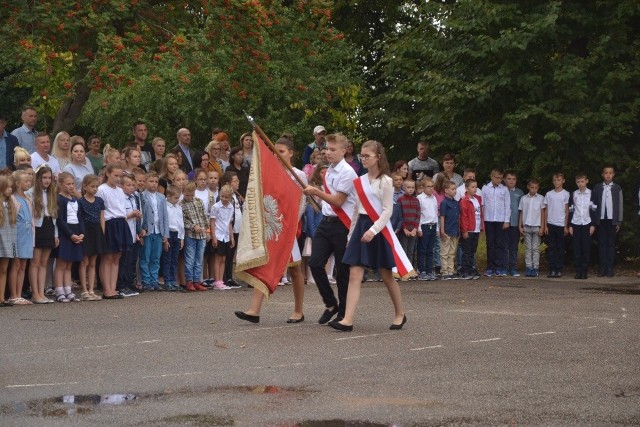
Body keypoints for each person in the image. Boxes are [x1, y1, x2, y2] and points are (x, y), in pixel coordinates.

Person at [328, 140, 407, 332]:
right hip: (361, 226)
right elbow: (356, 210)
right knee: (355, 274)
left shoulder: (386, 181)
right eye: (361, 156)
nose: (363, 159)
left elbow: (388, 211)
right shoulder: (360, 181)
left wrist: (373, 231)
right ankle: (347, 319)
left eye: (367, 156)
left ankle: (400, 314)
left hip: (378, 229)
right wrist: (351, 234)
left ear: (378, 157)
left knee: (386, 275)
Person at [235, 137, 307, 324]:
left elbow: (302, 202)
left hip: (287, 228)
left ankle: (298, 310)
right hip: (272, 227)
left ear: (291, 153)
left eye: (281, 152)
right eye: (275, 151)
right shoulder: (269, 173)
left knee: (296, 270)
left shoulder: (298, 174)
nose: (277, 155)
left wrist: (291, 224)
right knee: (264, 264)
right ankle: (254, 310)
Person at [303, 133, 357, 324]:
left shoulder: (348, 172)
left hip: (342, 224)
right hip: (325, 223)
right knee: (315, 263)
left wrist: (316, 191)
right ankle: (330, 303)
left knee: (342, 271)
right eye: (327, 148)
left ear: (344, 150)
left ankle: (343, 313)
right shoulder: (329, 170)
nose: (328, 152)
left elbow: (339, 201)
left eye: (333, 149)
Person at [97, 164, 130, 299]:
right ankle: (106, 289)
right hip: (109, 224)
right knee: (108, 257)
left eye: (120, 176)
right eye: (115, 175)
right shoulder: (102, 190)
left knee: (117, 257)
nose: (118, 179)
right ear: (108, 174)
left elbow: (122, 210)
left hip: (121, 222)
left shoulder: (120, 190)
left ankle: (113, 288)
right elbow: (101, 212)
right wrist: (103, 230)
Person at [28, 165, 58, 304]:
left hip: (48, 226)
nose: (47, 181)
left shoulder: (51, 193)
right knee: (35, 262)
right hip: (37, 228)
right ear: (38, 178)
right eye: (44, 178)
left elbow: (54, 217)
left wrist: (56, 234)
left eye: (49, 178)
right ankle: (35, 293)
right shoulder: (31, 193)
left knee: (44, 263)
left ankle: (42, 292)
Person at [54, 172, 84, 302]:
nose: (71, 186)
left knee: (69, 264)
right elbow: (60, 220)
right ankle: (59, 291)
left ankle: (68, 289)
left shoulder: (75, 199)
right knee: (61, 264)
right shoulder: (59, 199)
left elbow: (80, 217)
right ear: (60, 184)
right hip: (66, 233)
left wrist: (81, 232)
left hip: (76, 232)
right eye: (68, 184)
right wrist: (70, 235)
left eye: (72, 184)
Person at [78, 175, 107, 300]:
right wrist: (81, 232)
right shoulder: (81, 201)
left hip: (96, 231)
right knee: (84, 261)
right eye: (92, 186)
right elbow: (80, 218)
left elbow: (102, 217)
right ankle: (84, 290)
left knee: (93, 262)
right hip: (86, 231)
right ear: (85, 187)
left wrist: (102, 232)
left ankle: (91, 289)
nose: (95, 189)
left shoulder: (99, 201)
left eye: (96, 187)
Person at [140, 171, 169, 291]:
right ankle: (146, 280)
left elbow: (165, 216)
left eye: (156, 182)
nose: (154, 184)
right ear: (146, 182)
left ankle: (154, 280)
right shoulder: (142, 196)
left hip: (158, 231)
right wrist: (141, 229)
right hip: (148, 230)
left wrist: (165, 234)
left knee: (156, 258)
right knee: (145, 257)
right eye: (151, 181)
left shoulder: (161, 197)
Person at [591, 166, 623, 277]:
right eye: (606, 173)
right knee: (602, 244)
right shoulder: (598, 187)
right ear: (602, 174)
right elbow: (594, 205)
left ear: (613, 174)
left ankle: (610, 268)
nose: (608, 175)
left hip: (612, 220)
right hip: (601, 220)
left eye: (610, 173)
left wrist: (619, 221)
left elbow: (620, 205)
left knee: (611, 244)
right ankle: (602, 268)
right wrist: (594, 220)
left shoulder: (617, 188)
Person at [8, 170, 34, 305]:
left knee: (23, 265)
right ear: (17, 183)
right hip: (18, 235)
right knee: (16, 264)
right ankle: (14, 295)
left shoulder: (27, 198)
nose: (29, 183)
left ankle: (19, 293)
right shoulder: (13, 199)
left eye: (30, 181)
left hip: (27, 235)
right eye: (26, 181)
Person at [180, 181, 209, 291]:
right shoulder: (181, 205)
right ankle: (189, 281)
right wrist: (193, 226)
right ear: (183, 193)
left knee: (199, 258)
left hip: (201, 235)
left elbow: (204, 216)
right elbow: (183, 220)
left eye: (192, 195)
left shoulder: (199, 202)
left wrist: (207, 231)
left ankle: (197, 280)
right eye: (187, 195)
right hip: (190, 235)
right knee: (190, 259)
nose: (189, 197)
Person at [481, 168, 510, 277]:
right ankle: (490, 267)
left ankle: (499, 267)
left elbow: (507, 206)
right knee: (490, 244)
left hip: (500, 220)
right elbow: (482, 205)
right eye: (496, 177)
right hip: (488, 219)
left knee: (499, 244)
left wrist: (506, 220)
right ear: (491, 176)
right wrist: (482, 221)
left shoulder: (504, 189)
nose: (498, 180)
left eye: (500, 178)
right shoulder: (485, 188)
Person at [568, 173, 596, 279]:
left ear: (587, 181)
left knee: (585, 248)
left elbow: (594, 209)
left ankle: (584, 271)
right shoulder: (574, 194)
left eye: (582, 181)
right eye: (578, 182)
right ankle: (578, 270)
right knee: (577, 248)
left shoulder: (591, 194)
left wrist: (593, 224)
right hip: (576, 223)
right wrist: (570, 224)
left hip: (587, 223)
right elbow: (571, 210)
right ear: (576, 183)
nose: (580, 184)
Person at [218, 171, 243, 288]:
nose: (238, 183)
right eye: (235, 181)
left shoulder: (237, 196)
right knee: (227, 254)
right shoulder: (225, 197)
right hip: (228, 230)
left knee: (232, 254)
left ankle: (229, 276)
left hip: (238, 229)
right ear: (227, 183)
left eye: (238, 180)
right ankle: (224, 277)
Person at [543, 173, 569, 278]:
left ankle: (559, 269)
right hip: (551, 224)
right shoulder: (549, 194)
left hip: (561, 224)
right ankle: (552, 268)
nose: (556, 182)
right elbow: (546, 210)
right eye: (554, 180)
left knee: (560, 248)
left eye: (558, 180)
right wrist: (545, 225)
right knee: (552, 248)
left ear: (563, 181)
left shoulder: (566, 194)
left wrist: (566, 225)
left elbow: (567, 210)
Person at [209, 185, 235, 290]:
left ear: (230, 198)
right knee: (217, 258)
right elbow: (212, 222)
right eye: (222, 196)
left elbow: (229, 222)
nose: (224, 199)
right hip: (218, 234)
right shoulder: (216, 206)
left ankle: (221, 280)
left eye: (226, 197)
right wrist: (214, 236)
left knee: (224, 258)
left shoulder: (231, 207)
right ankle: (217, 281)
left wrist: (232, 236)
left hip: (226, 236)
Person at [518, 178, 545, 277]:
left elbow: (542, 213)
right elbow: (521, 212)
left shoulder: (541, 198)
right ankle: (528, 267)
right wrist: (520, 226)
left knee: (535, 248)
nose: (534, 190)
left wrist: (542, 227)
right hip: (527, 226)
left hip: (537, 226)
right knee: (528, 248)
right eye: (532, 187)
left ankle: (535, 267)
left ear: (538, 188)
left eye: (536, 188)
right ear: (528, 187)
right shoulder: (524, 198)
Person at [458, 179, 483, 280]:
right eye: (472, 187)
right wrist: (464, 230)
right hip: (469, 230)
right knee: (466, 251)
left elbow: (480, 215)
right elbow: (463, 217)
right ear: (466, 188)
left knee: (473, 251)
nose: (474, 189)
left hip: (476, 229)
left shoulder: (477, 199)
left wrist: (481, 228)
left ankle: (471, 268)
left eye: (476, 187)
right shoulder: (464, 201)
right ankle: (465, 270)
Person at [0, 175, 18, 307]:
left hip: (8, 238)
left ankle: (2, 298)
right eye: (7, 187)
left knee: (4, 269)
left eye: (11, 187)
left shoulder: (11, 202)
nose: (10, 190)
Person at [162, 185, 184, 291]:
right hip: (169, 234)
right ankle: (167, 281)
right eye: (175, 197)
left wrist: (182, 238)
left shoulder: (179, 207)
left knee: (174, 259)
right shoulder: (165, 207)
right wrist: (165, 237)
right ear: (168, 196)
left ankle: (173, 280)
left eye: (178, 197)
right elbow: (165, 222)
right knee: (167, 258)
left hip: (177, 234)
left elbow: (181, 223)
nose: (178, 199)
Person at [417, 177, 439, 281]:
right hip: (424, 226)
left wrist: (437, 227)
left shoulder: (434, 198)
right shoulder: (420, 198)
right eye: (428, 187)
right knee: (423, 249)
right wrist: (419, 228)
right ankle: (422, 270)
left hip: (433, 225)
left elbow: (435, 213)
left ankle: (430, 270)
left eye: (432, 186)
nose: (430, 189)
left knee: (431, 249)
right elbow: (419, 215)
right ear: (423, 187)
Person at [439, 180, 461, 280]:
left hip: (454, 230)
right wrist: (442, 230)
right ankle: (444, 271)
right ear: (446, 190)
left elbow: (458, 217)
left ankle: (451, 270)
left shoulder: (456, 203)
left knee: (452, 252)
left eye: (455, 189)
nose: (454, 191)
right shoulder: (444, 203)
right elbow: (442, 217)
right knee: (445, 251)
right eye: (452, 189)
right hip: (446, 230)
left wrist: (458, 230)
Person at [397, 179, 420, 269]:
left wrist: (415, 228)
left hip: (413, 229)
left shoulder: (416, 200)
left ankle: (409, 269)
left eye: (412, 187)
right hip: (404, 230)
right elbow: (400, 216)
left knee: (411, 251)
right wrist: (404, 228)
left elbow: (418, 215)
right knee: (403, 250)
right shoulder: (400, 200)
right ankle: (403, 270)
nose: (411, 189)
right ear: (404, 187)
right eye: (408, 187)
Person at [504, 170, 524, 276]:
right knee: (504, 246)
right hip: (503, 223)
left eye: (514, 179)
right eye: (509, 179)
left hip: (515, 224)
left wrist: (521, 224)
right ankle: (504, 267)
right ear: (504, 179)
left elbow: (521, 210)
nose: (511, 181)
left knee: (513, 247)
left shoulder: (520, 193)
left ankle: (513, 267)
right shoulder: (502, 190)